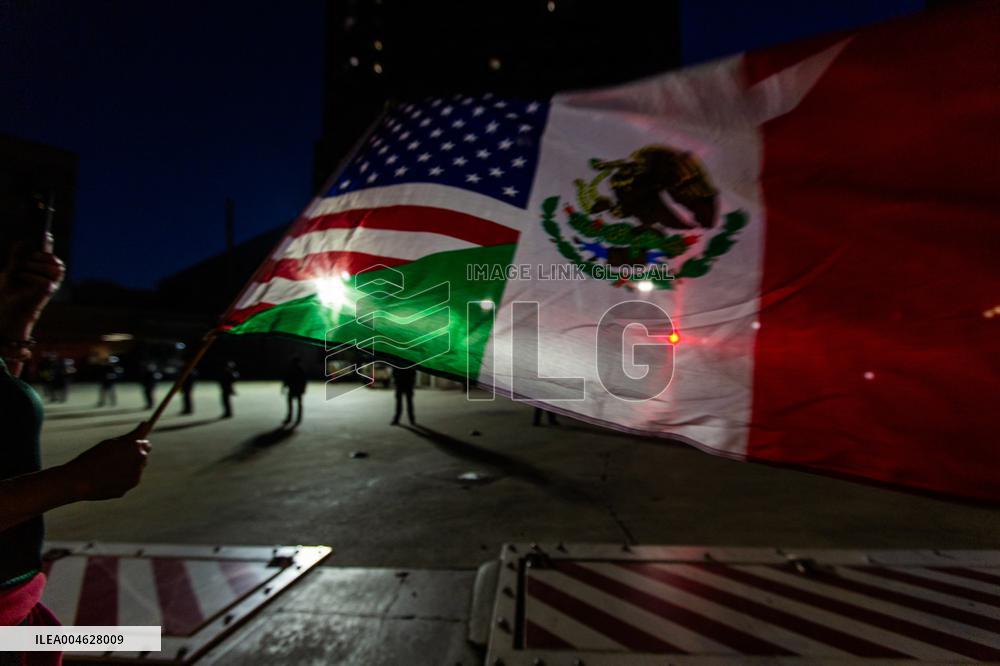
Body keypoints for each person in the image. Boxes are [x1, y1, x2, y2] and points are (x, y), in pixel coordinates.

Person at [0, 234, 151, 640]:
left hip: (17, 613)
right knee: (139, 640)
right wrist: (77, 480)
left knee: (145, 638)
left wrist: (18, 318)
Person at [282, 357, 306, 426]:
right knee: (297, 404)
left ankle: (291, 417)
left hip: (294, 389)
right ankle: (297, 417)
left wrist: (284, 387)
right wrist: (303, 389)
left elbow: (287, 379)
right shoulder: (299, 369)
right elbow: (304, 381)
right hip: (296, 389)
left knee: (291, 404)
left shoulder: (293, 369)